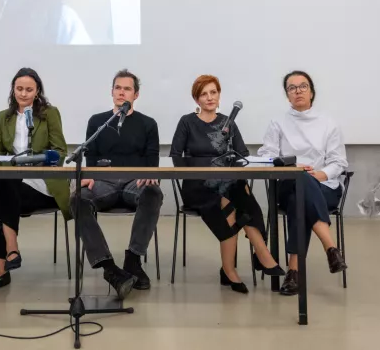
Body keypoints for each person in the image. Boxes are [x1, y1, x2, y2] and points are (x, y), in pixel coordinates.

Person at [170, 75, 284, 295]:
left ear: (219, 95)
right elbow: (176, 155)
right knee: (232, 203)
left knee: (238, 193)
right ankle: (258, 256)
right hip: (197, 185)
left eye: (213, 92)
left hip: (226, 182)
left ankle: (233, 267)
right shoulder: (187, 122)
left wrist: (231, 166)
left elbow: (243, 155)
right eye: (204, 94)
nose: (210, 97)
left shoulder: (228, 122)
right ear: (197, 99)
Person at [0, 67, 71, 292]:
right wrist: (10, 165)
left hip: (42, 186)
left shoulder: (49, 114)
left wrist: (38, 161)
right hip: (13, 184)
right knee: (2, 183)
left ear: (37, 92)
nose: (23, 94)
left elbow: (60, 151)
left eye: (29, 89)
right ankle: (11, 252)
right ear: (13, 89)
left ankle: (1, 266)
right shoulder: (3, 117)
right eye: (19, 89)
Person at [73, 69, 163, 299]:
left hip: (136, 182)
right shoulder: (97, 122)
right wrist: (88, 175)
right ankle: (109, 268)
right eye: (118, 88)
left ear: (136, 94)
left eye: (127, 89)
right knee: (78, 198)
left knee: (153, 192)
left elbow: (152, 161)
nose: (122, 92)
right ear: (112, 92)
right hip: (104, 183)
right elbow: (90, 157)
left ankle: (133, 260)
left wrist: (150, 174)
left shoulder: (148, 124)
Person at [258, 70, 348, 295]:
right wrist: (292, 169)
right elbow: (268, 155)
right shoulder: (277, 122)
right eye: (292, 88)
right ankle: (331, 247)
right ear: (287, 95)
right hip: (288, 182)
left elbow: (339, 162)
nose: (297, 91)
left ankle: (294, 273)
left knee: (300, 196)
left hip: (323, 186)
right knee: (299, 183)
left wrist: (316, 175)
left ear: (312, 92)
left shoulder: (329, 123)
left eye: (302, 86)